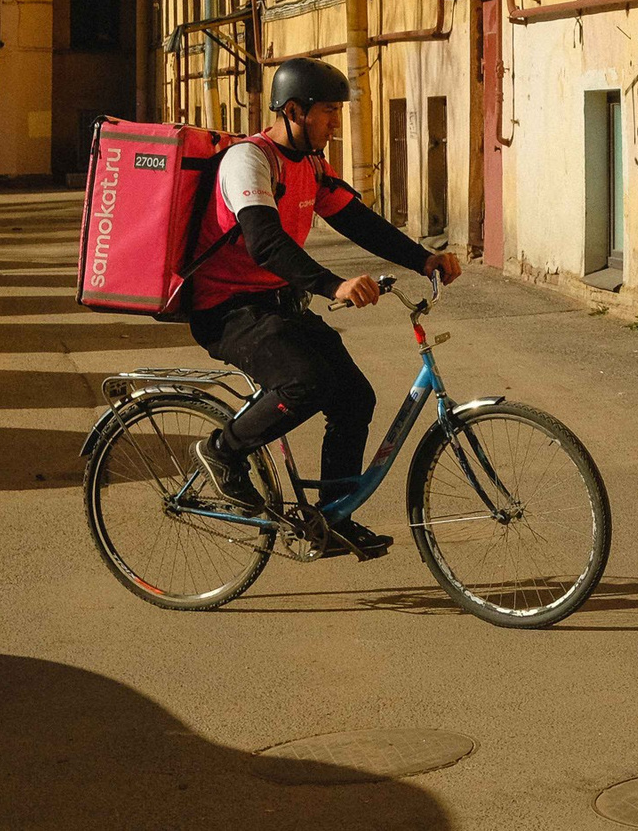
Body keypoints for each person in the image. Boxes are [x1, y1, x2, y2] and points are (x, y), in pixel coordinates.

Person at [188, 56, 461, 559]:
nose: (337, 123)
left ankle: (333, 516)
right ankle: (222, 451)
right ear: (294, 110)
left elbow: (359, 220)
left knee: (355, 397)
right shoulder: (250, 161)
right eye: (329, 112)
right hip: (226, 307)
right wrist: (333, 285)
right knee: (306, 381)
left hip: (275, 304)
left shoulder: (311, 164)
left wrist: (423, 258)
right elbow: (265, 243)